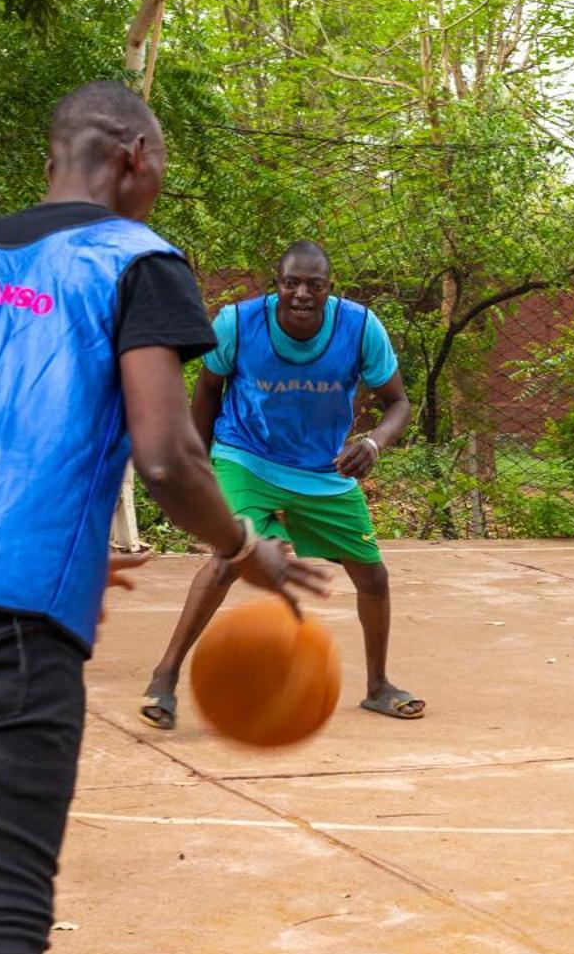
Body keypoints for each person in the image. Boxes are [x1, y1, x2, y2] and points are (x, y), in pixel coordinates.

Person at [0, 81, 330, 954]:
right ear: (137, 158)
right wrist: (244, 550)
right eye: (160, 169)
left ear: (51, 160)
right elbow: (167, 455)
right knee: (10, 909)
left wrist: (64, 544)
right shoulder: (138, 261)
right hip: (2, 609)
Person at [137, 240, 418, 728]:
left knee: (373, 576)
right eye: (292, 283)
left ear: (330, 289)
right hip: (247, 456)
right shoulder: (238, 324)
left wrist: (372, 444)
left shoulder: (360, 327)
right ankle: (164, 678)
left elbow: (398, 403)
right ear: (277, 284)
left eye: (315, 285)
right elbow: (208, 387)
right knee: (231, 556)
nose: (302, 294)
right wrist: (198, 465)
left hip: (322, 469)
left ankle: (377, 686)